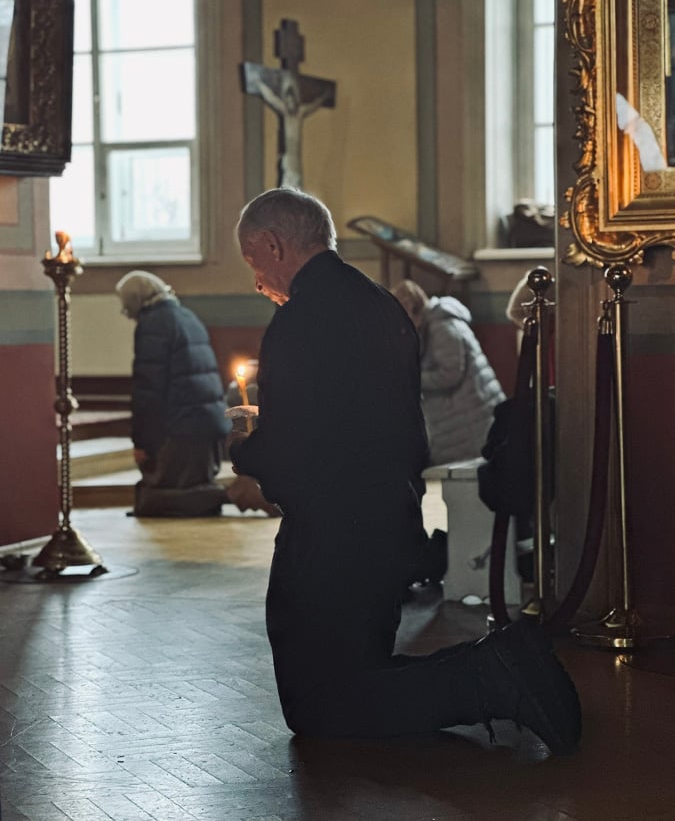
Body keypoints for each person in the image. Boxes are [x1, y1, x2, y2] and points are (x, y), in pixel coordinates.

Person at [227, 187, 581, 753]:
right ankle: (500, 665)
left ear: (272, 245)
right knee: (357, 674)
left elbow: (297, 450)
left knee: (317, 703)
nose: (257, 281)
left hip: (332, 536)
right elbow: (384, 426)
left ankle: (493, 676)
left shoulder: (301, 321)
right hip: (389, 522)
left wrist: (247, 451)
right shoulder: (381, 303)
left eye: (253, 262)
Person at [116, 270, 274, 517]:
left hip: (181, 431)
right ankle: (235, 493)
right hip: (208, 426)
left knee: (152, 501)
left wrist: (143, 442)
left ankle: (237, 493)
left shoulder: (153, 323)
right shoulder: (186, 316)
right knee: (166, 491)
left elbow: (149, 390)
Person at [392, 279, 505, 466]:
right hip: (467, 412)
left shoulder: (441, 326)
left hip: (469, 413)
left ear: (411, 309)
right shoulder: (435, 323)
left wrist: (413, 379)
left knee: (471, 472)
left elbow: (450, 373)